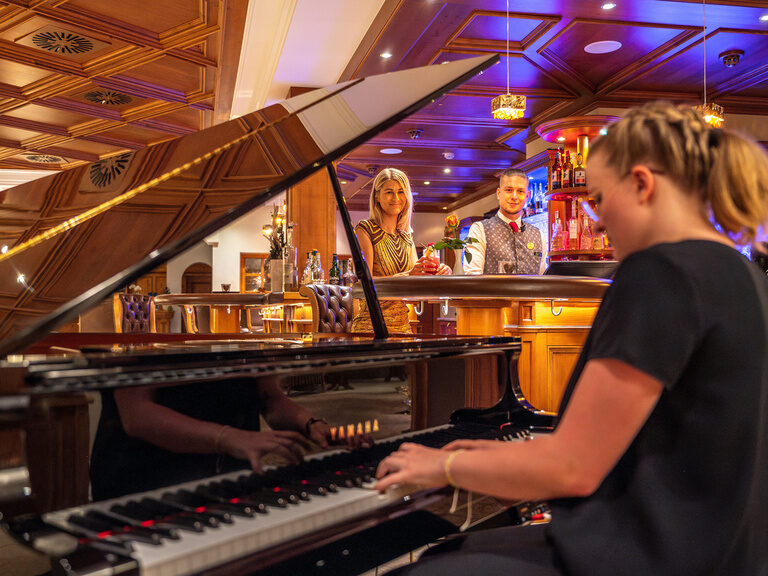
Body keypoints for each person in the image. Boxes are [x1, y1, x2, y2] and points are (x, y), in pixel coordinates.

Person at [376, 102, 768, 575]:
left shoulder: (663, 272)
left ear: (642, 185)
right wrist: (486, 454)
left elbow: (573, 469)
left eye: (598, 199)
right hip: (719, 551)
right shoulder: (745, 274)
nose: (595, 221)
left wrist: (442, 468)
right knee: (452, 554)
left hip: (643, 554)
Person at [90, 376, 333, 501]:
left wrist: (310, 423)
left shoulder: (245, 326)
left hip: (227, 476)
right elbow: (137, 414)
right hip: (147, 478)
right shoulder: (143, 328)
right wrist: (231, 437)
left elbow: (270, 398)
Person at [351, 168, 451, 334]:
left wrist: (439, 274)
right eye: (389, 192)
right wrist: (408, 276)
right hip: (371, 327)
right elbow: (364, 285)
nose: (396, 198)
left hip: (404, 328)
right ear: (377, 196)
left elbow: (415, 292)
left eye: (401, 192)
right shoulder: (365, 228)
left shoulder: (406, 237)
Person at [463, 168, 547, 275]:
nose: (514, 196)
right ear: (499, 193)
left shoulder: (538, 235)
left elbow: (542, 279)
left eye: (520, 191)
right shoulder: (479, 230)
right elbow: (473, 276)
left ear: (527, 196)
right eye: (509, 190)